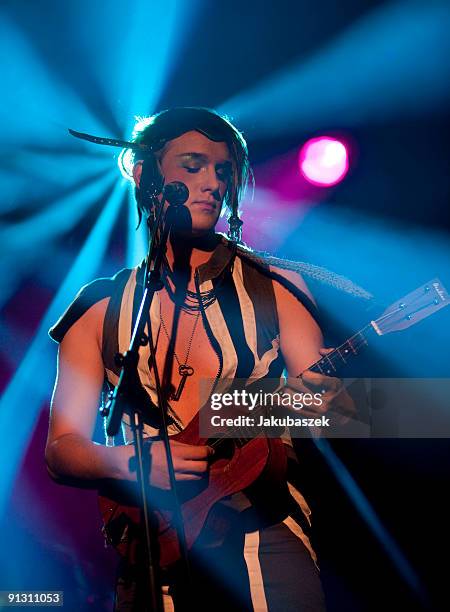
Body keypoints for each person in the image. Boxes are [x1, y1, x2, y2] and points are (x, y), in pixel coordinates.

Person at [46, 107, 355, 611]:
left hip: (264, 533)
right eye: (192, 166)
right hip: (152, 544)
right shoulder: (100, 307)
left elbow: (340, 411)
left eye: (222, 170)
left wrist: (327, 402)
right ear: (146, 176)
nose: (213, 182)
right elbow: (61, 450)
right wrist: (128, 463)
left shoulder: (277, 289)